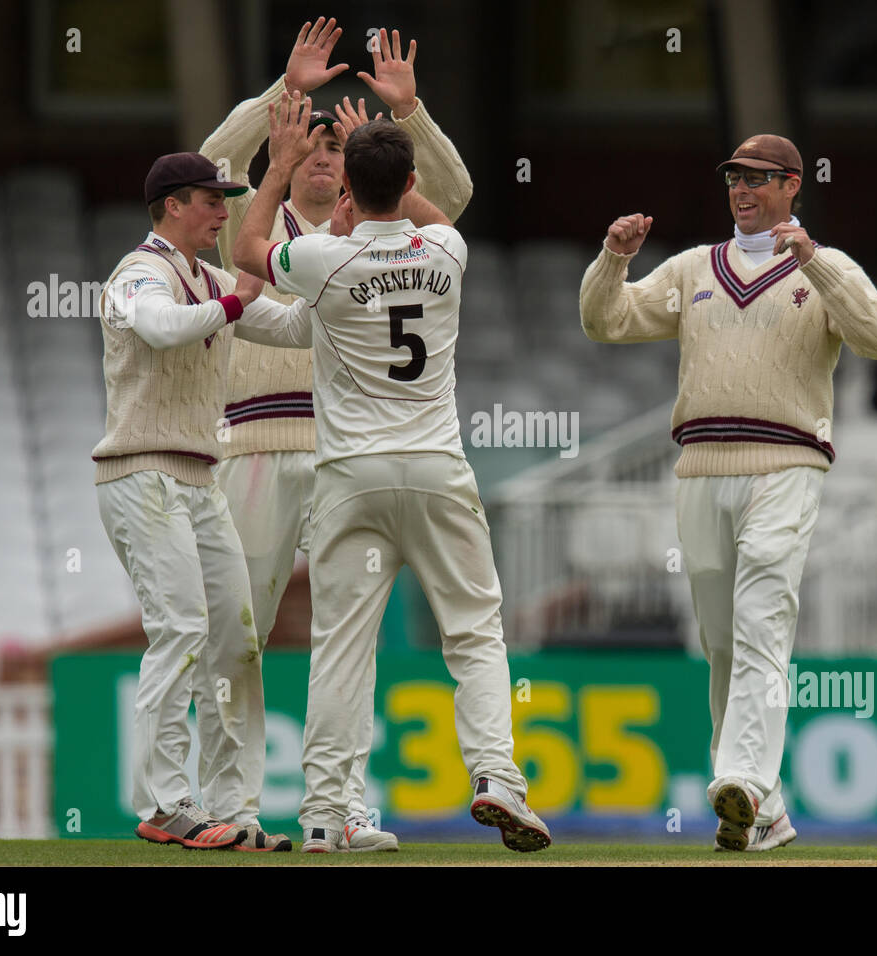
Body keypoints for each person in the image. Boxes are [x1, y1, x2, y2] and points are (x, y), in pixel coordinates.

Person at [232, 90, 550, 854]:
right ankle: (497, 776)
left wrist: (278, 171)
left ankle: (319, 817)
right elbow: (438, 216)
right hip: (438, 468)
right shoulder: (445, 251)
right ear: (408, 181)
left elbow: (246, 255)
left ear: (347, 191)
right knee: (473, 634)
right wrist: (395, 138)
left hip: (350, 478)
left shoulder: (323, 260)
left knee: (341, 645)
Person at [579, 134, 877, 851]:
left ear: (793, 185)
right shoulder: (696, 267)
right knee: (723, 643)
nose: (742, 189)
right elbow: (606, 320)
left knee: (762, 619)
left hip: (786, 464)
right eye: (733, 178)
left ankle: (743, 782)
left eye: (758, 178)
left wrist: (814, 264)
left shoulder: (824, 267)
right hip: (700, 467)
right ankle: (769, 813)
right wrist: (614, 257)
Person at [199, 19, 474, 853]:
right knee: (236, 631)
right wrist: (284, 97)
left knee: (345, 637)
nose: (321, 157)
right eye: (308, 144)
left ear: (354, 169)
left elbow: (454, 196)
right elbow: (214, 163)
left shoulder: (385, 237)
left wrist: (409, 114)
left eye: (333, 149)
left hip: (345, 451)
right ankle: (231, 804)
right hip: (253, 443)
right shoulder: (247, 219)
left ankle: (342, 806)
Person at [93, 151, 313, 851]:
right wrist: (234, 302)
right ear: (173, 206)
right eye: (212, 201)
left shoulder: (207, 275)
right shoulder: (139, 273)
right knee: (182, 628)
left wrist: (339, 273)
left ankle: (228, 809)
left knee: (234, 640)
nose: (224, 213)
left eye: (225, 201)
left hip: (198, 479)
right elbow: (160, 328)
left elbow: (292, 328)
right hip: (141, 473)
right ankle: (164, 803)